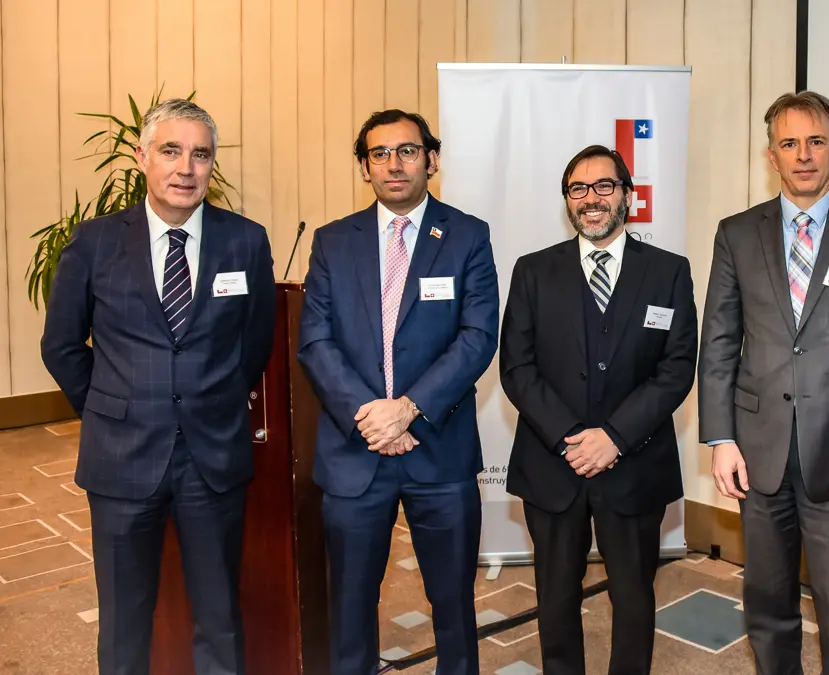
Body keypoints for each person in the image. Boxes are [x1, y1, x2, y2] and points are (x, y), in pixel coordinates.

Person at [40, 99, 275, 675]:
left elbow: (254, 342)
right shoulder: (94, 242)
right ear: (143, 156)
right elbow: (62, 345)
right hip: (121, 459)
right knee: (124, 622)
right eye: (171, 151)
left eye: (200, 154)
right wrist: (109, 409)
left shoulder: (245, 241)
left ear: (212, 164)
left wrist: (210, 401)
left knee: (219, 618)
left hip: (211, 459)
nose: (185, 168)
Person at [698, 91, 829, 675]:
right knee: (767, 602)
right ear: (771, 155)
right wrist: (721, 437)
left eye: (816, 141)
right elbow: (719, 341)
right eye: (789, 143)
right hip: (758, 451)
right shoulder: (737, 233)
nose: (803, 155)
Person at [297, 109, 499, 675]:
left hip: (439, 449)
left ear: (431, 160)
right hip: (355, 450)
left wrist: (408, 410)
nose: (394, 163)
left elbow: (478, 337)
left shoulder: (468, 235)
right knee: (350, 604)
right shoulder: (333, 241)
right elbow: (314, 340)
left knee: (453, 604)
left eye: (407, 150)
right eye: (379, 153)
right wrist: (371, 416)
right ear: (365, 167)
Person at [500, 145, 698, 675]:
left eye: (604, 186)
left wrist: (613, 437)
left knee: (633, 598)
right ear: (567, 200)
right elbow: (517, 367)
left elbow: (677, 368)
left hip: (635, 464)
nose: (591, 199)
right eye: (578, 189)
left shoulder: (669, 272)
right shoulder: (533, 271)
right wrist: (571, 437)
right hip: (553, 464)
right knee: (555, 599)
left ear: (627, 196)